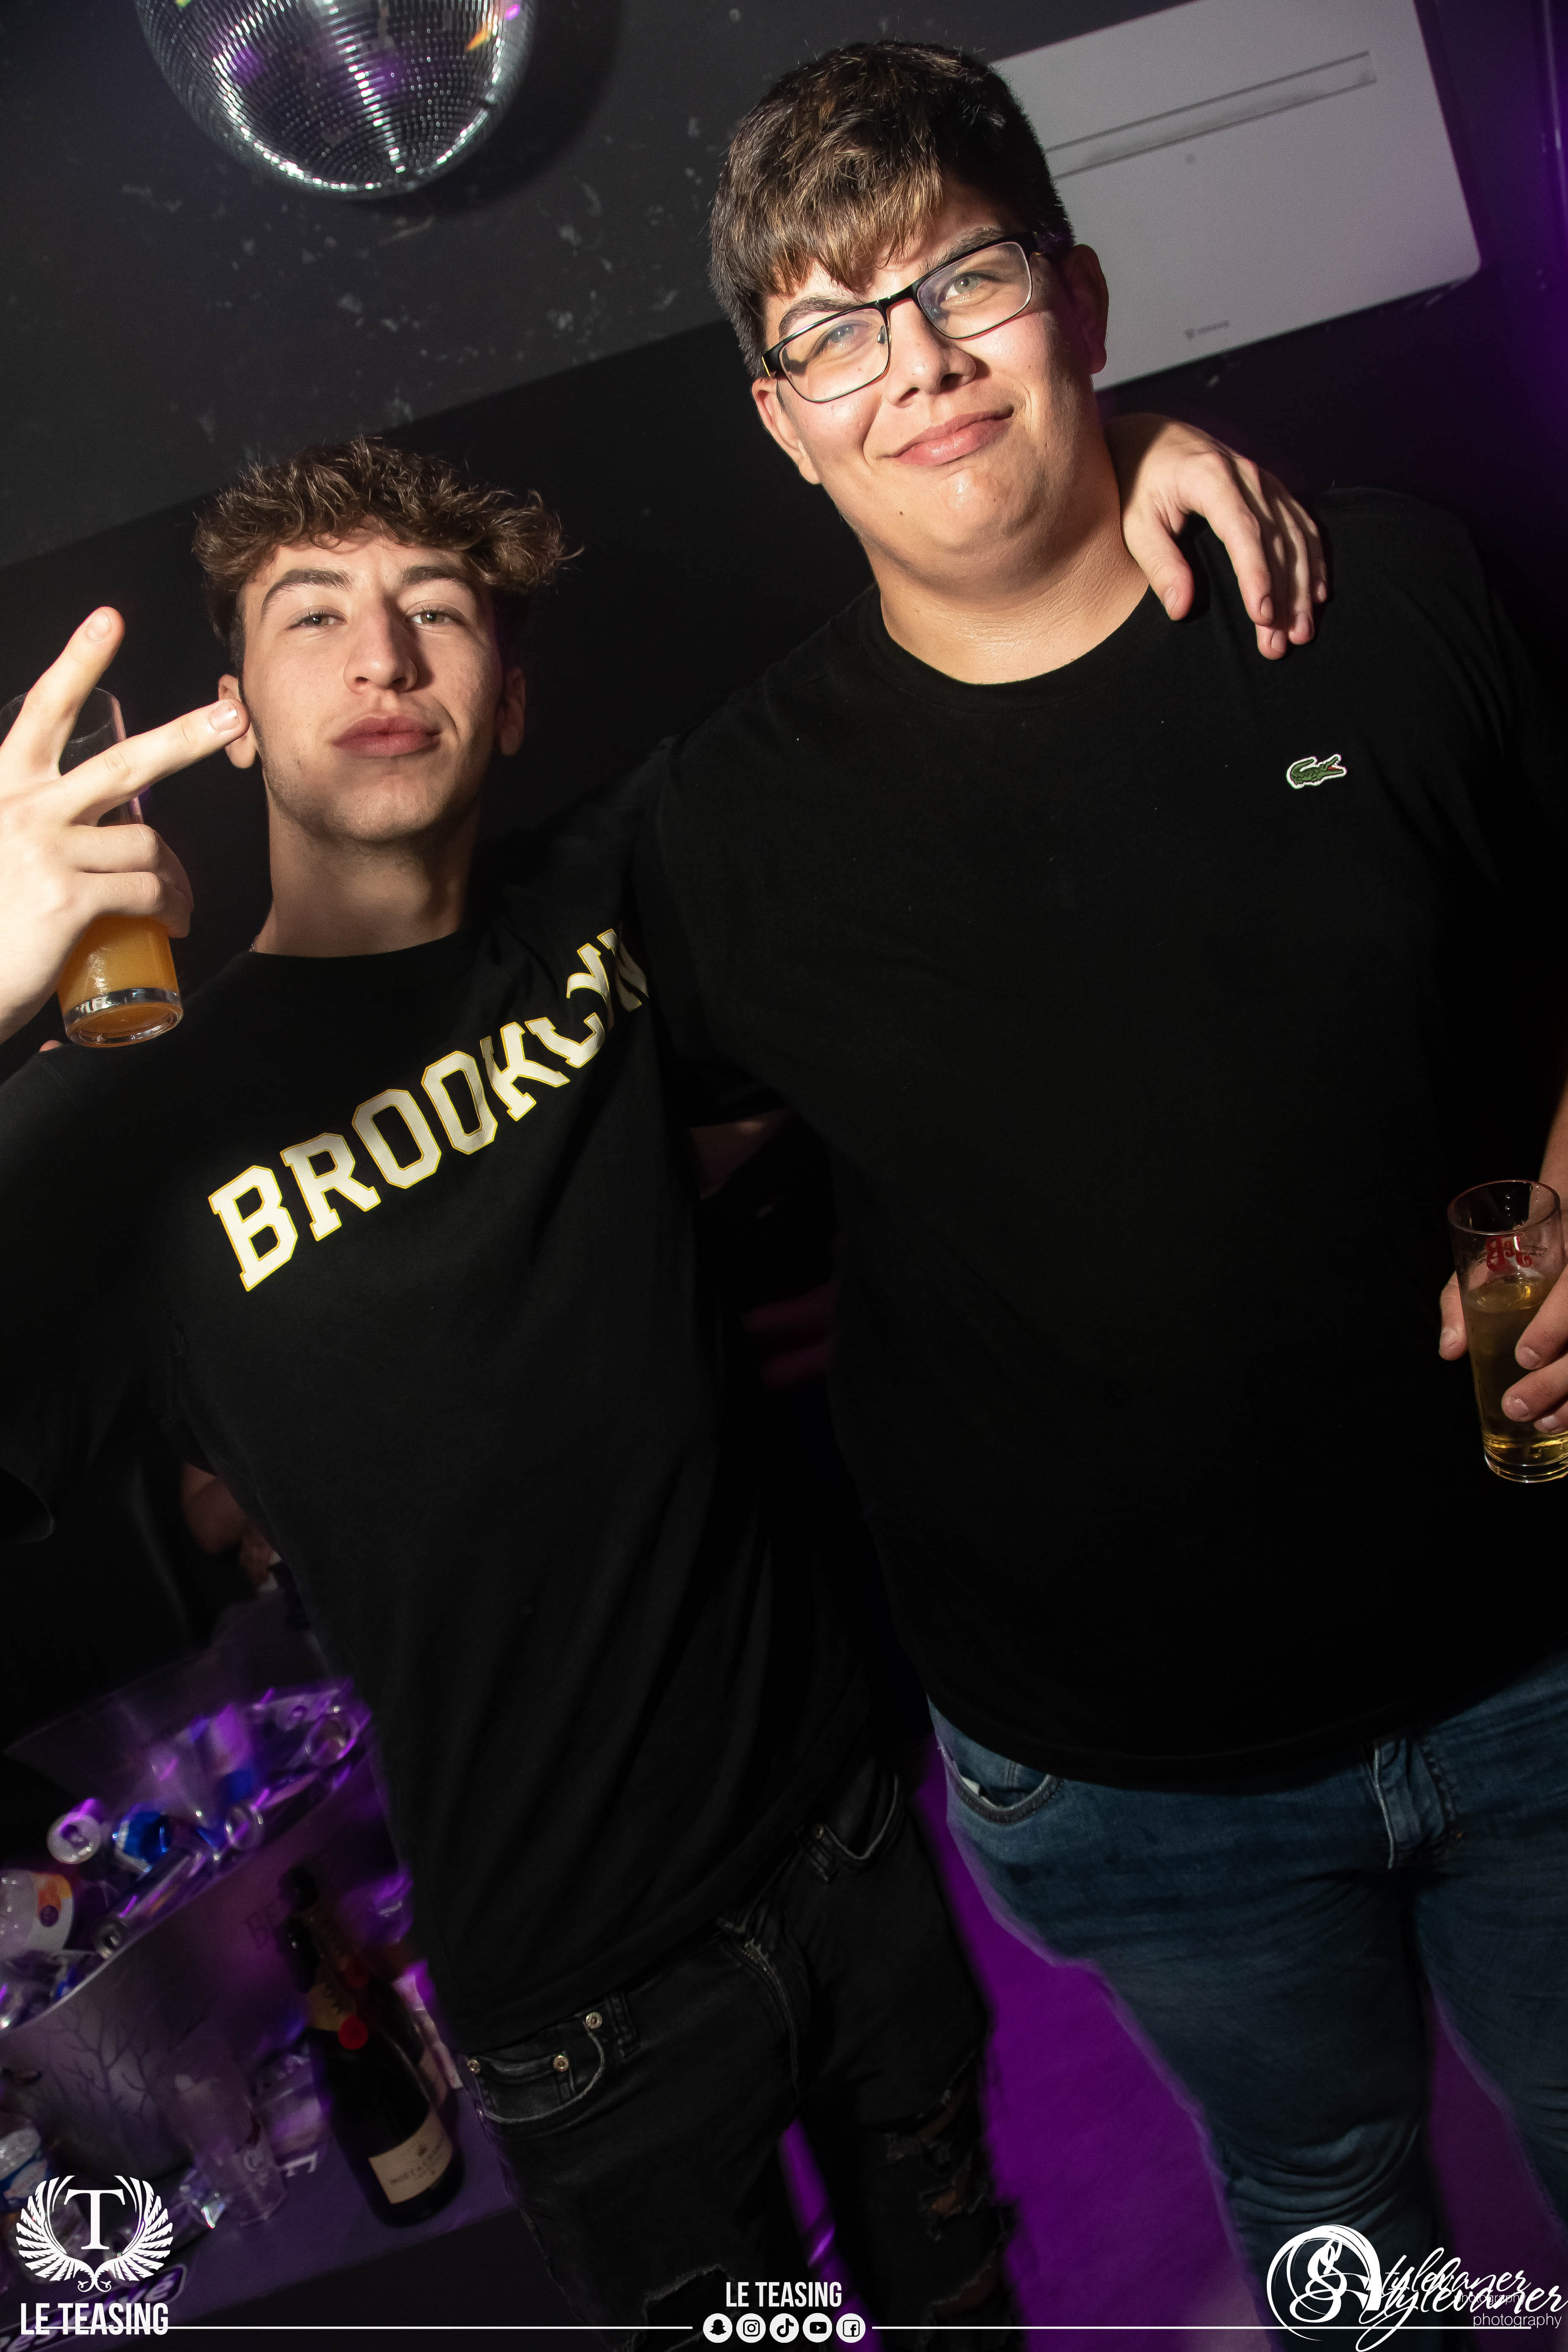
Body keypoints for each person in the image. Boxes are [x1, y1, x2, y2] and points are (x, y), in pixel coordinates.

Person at [0, 419, 1309, 2334]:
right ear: (238, 717)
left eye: (439, 611)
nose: (385, 655)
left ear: (513, 700)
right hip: (579, 2000)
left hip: (846, 1842)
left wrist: (1106, 480)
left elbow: (907, 690)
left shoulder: (614, 891)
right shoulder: (135, 1114)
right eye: (315, 618)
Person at [632, 39, 1568, 2295]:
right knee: (1330, 2206)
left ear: (1082, 299)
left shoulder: (1387, 597)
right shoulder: (721, 838)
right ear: (778, 420)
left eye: (966, 281)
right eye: (834, 331)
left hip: (1540, 1654)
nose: (918, 364)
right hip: (1131, 1778)